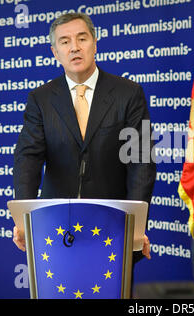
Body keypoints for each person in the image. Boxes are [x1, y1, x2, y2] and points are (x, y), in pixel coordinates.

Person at [12, 13, 156, 260]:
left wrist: (136, 224)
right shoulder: (41, 99)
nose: (75, 47)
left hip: (114, 224)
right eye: (65, 42)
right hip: (55, 227)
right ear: (55, 52)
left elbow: (141, 162)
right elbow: (28, 159)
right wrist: (23, 218)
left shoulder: (128, 93)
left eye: (82, 38)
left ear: (95, 44)